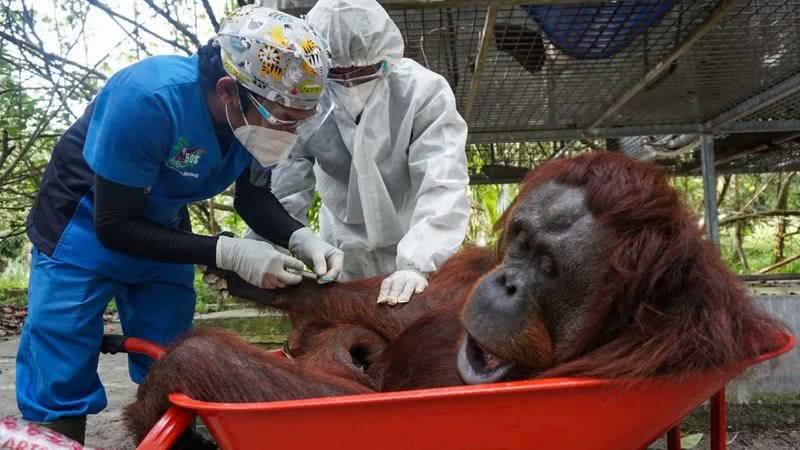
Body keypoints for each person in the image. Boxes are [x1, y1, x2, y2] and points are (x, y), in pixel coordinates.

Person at [17, 5, 342, 443]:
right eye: (280, 117)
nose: (286, 131)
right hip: (83, 220)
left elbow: (253, 196)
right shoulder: (148, 99)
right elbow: (113, 225)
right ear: (228, 89)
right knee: (61, 340)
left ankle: (173, 431)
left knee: (171, 341)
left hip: (161, 221)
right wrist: (225, 251)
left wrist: (299, 237)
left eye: (297, 121)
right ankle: (57, 433)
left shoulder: (249, 119)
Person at [266, 0, 470, 306]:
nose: (349, 82)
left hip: (412, 236)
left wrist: (419, 262)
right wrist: (271, 249)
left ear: (384, 55)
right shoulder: (308, 100)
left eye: (363, 71)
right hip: (339, 248)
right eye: (336, 73)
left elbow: (442, 181)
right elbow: (286, 186)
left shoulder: (423, 92)